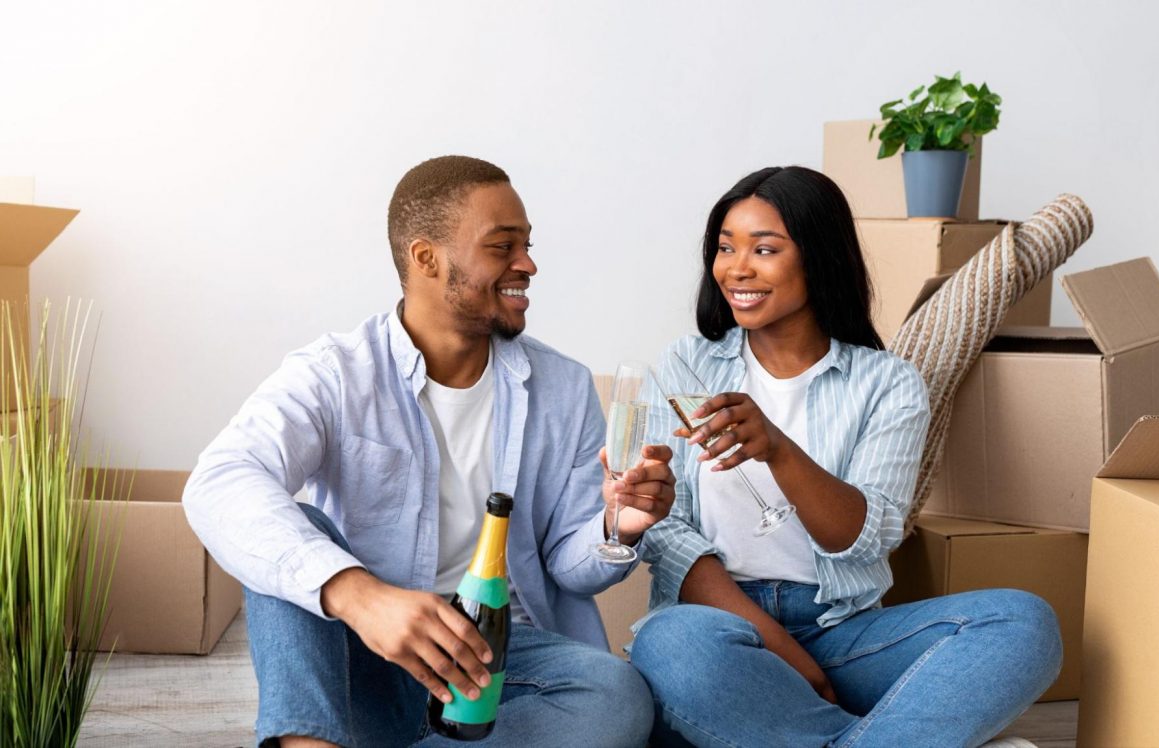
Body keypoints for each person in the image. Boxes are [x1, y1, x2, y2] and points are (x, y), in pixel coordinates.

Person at [183, 156, 674, 748]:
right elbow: (220, 480)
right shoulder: (336, 373)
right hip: (370, 652)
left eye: (528, 245)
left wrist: (617, 526)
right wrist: (360, 596)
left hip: (499, 661)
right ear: (426, 258)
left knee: (616, 695)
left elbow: (571, 566)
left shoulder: (563, 387)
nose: (528, 264)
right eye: (503, 246)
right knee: (285, 536)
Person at [630, 165, 1062, 747]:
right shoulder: (687, 364)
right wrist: (776, 644)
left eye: (765, 249)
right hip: (722, 625)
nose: (737, 268)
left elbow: (865, 536)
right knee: (670, 644)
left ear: (819, 256)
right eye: (726, 247)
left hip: (842, 632)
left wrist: (780, 450)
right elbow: (666, 533)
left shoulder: (887, 383)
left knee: (1023, 624)